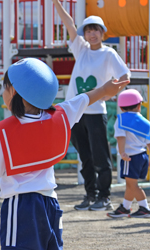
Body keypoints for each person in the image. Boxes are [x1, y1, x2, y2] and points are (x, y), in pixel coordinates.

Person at [0, 58, 129, 250]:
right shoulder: (59, 116)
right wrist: (106, 90)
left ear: (16, 94)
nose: (3, 91)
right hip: (50, 202)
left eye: (5, 87)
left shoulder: (7, 133)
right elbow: (84, 99)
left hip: (22, 203)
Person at [52, 0, 130, 211]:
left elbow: (125, 76)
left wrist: (110, 95)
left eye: (96, 30)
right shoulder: (81, 49)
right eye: (88, 30)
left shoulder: (109, 54)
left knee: (100, 156)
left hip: (95, 112)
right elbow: (68, 23)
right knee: (84, 156)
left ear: (103, 33)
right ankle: (90, 195)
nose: (92, 34)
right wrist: (56, 3)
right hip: (75, 112)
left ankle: (104, 197)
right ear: (84, 34)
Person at [107, 89, 150, 218]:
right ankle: (125, 208)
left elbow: (120, 137)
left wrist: (122, 153)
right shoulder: (145, 122)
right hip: (142, 156)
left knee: (132, 185)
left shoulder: (120, 120)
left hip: (130, 157)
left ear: (120, 106)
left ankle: (144, 208)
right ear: (139, 105)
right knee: (130, 184)